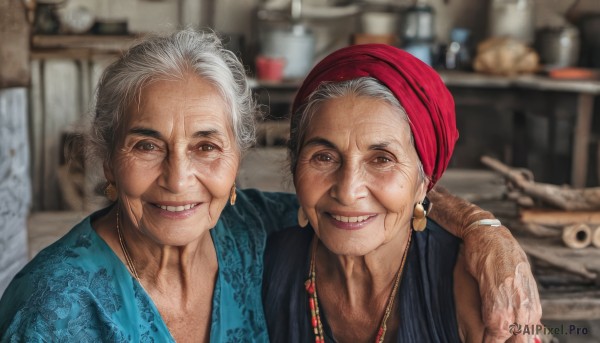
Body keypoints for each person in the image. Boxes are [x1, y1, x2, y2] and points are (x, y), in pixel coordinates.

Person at [0, 30, 538, 342]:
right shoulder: (53, 307)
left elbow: (368, 206)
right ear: (108, 161)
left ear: (238, 158)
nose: (178, 179)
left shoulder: (250, 230)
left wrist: (484, 228)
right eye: (146, 145)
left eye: (206, 146)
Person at [262, 43, 540, 342]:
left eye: (382, 159)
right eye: (324, 157)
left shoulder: (471, 287)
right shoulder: (262, 261)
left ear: (423, 182)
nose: (347, 191)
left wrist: (484, 228)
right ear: (295, 167)